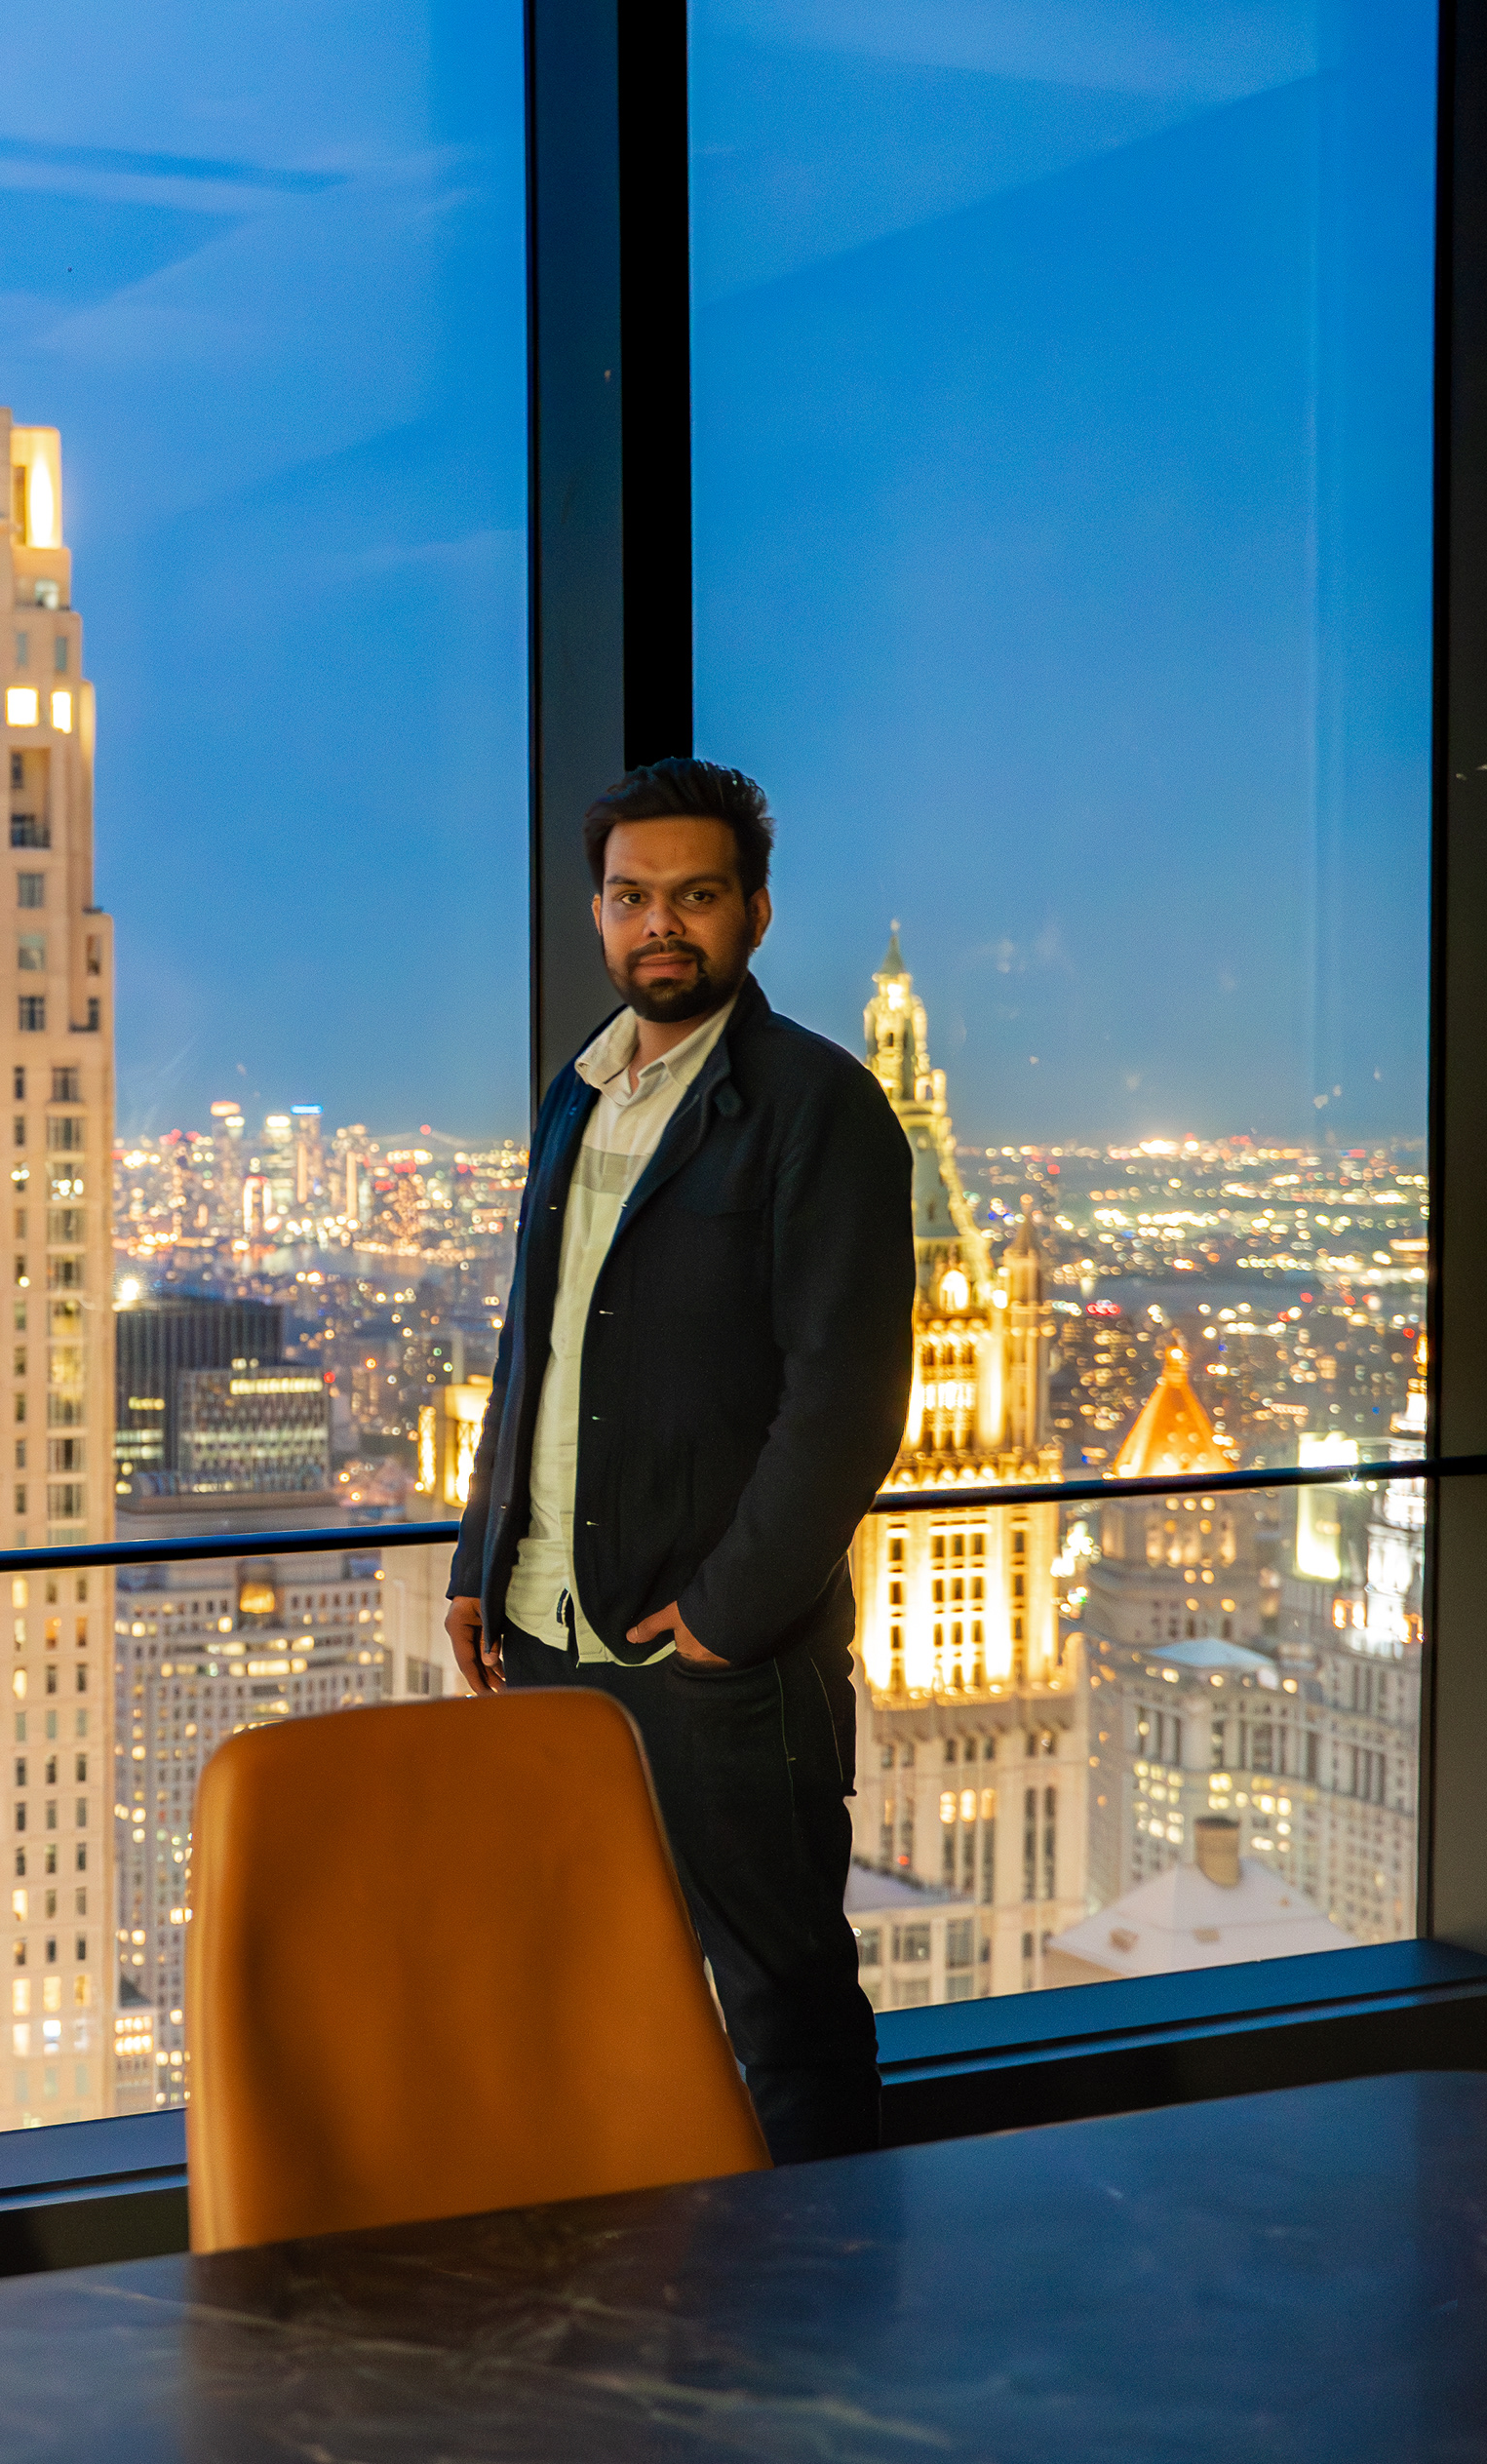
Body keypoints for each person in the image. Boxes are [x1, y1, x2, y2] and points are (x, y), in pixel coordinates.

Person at [442, 757, 915, 2162]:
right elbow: (537, 1343)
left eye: (695, 896)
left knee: (781, 2007)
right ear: (597, 915)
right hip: (545, 1634)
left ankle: (816, 2323)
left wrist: (724, 1620)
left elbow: (848, 1403)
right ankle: (633, 2298)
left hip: (713, 1659)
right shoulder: (576, 1097)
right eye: (633, 896)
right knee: (580, 1981)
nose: (662, 924)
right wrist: (483, 1556)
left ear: (755, 914)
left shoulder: (815, 1108)